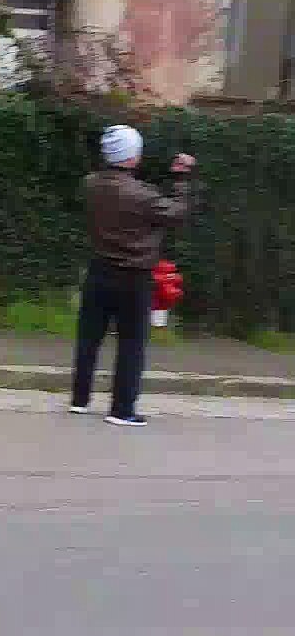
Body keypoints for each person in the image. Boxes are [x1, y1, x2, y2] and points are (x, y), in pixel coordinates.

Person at [70, 124, 195, 426]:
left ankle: (80, 399)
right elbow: (176, 213)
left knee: (89, 337)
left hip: (99, 269)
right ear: (131, 157)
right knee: (131, 343)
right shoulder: (142, 195)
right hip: (134, 276)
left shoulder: (89, 184)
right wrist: (180, 178)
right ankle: (122, 409)